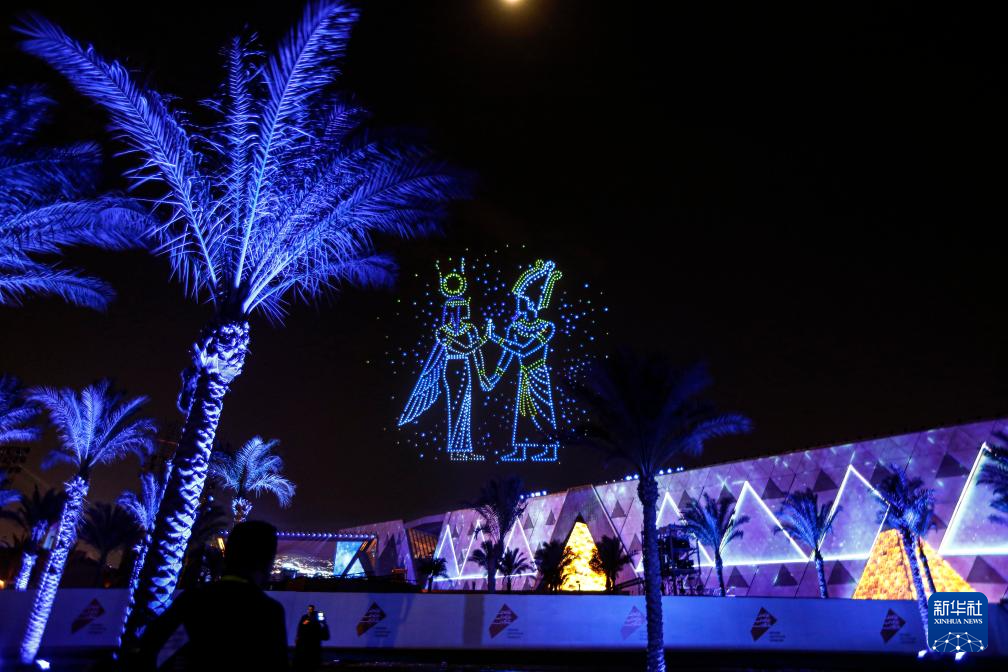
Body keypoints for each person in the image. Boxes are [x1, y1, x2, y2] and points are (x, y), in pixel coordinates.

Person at [127, 520, 289, 670]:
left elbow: (150, 647)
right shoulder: (268, 611)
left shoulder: (192, 600)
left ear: (228, 554)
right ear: (266, 562)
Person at [293, 604, 330, 670]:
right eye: (309, 609)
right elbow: (302, 625)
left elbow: (325, 636)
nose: (310, 611)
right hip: (305, 646)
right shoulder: (305, 618)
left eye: (312, 609)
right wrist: (309, 619)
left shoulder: (317, 622)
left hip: (314, 647)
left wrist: (323, 623)